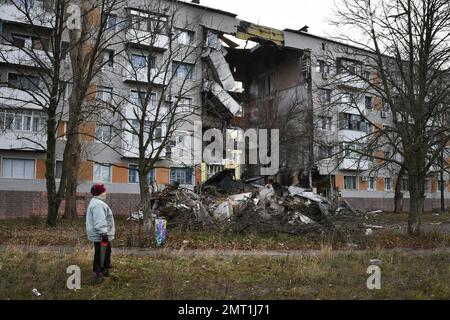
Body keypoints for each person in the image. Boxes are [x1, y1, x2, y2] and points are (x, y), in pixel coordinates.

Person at [86, 183, 115, 278]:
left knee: (105, 252)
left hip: (100, 234)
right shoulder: (98, 205)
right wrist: (104, 233)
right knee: (101, 253)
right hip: (101, 235)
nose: (106, 193)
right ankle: (99, 272)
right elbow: (100, 220)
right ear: (100, 193)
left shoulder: (96, 202)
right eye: (104, 191)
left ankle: (103, 269)